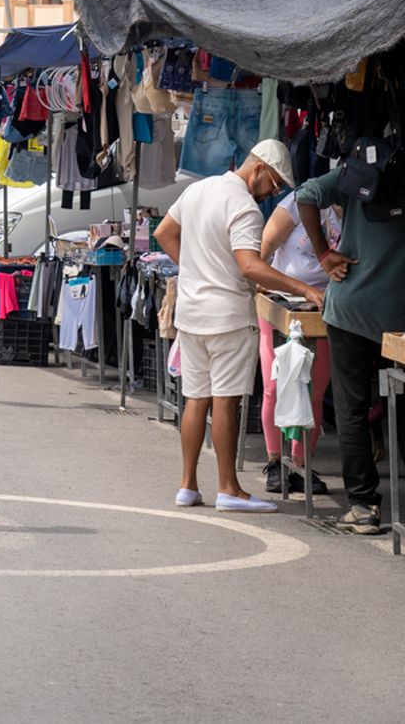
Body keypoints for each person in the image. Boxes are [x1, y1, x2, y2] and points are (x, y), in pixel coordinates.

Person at [152, 141, 324, 515]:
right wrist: (304, 288)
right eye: (275, 183)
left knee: (196, 398)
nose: (274, 192)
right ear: (259, 168)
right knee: (226, 401)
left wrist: (197, 268)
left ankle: (188, 485)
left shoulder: (198, 189)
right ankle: (229, 488)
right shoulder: (244, 207)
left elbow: (164, 233)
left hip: (192, 313)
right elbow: (249, 266)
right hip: (227, 315)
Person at [296, 154, 405, 534]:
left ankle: (363, 506)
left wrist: (324, 253)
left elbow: (305, 194)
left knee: (351, 409)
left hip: (351, 307)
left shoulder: (361, 168)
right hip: (398, 315)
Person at [256, 193, 339, 494]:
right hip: (282, 302)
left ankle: (301, 464)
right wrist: (266, 289)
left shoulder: (358, 214)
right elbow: (262, 252)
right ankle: (275, 462)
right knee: (274, 386)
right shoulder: (298, 202)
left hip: (324, 308)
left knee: (315, 391)